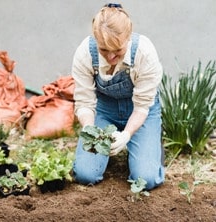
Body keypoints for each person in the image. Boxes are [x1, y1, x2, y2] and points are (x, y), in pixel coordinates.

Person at [71, 3, 165, 190]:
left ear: (128, 38)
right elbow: (84, 102)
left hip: (140, 111)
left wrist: (127, 135)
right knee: (84, 174)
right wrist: (92, 131)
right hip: (104, 110)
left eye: (118, 50)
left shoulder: (144, 53)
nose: (111, 56)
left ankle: (150, 145)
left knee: (146, 179)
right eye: (104, 49)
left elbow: (141, 107)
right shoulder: (85, 53)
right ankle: (106, 155)